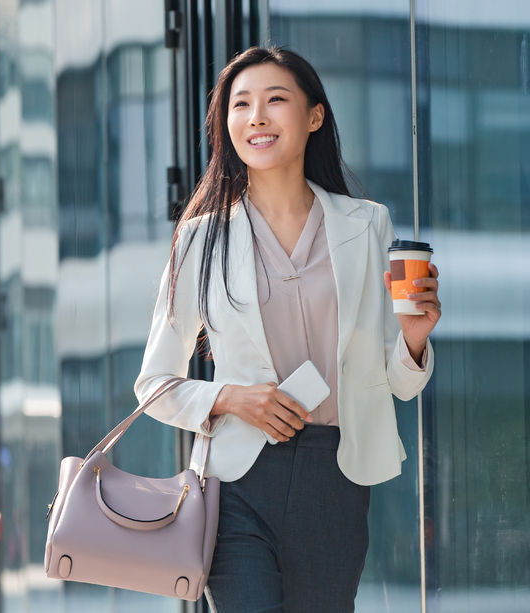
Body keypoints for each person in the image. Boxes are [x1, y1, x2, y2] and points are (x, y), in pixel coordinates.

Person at [134, 46, 440, 613]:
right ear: (226, 125)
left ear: (314, 117)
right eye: (241, 104)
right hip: (237, 483)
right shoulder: (201, 237)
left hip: (336, 473)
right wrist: (229, 397)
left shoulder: (366, 224)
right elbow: (153, 383)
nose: (257, 117)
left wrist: (415, 338)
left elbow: (396, 382)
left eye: (276, 100)